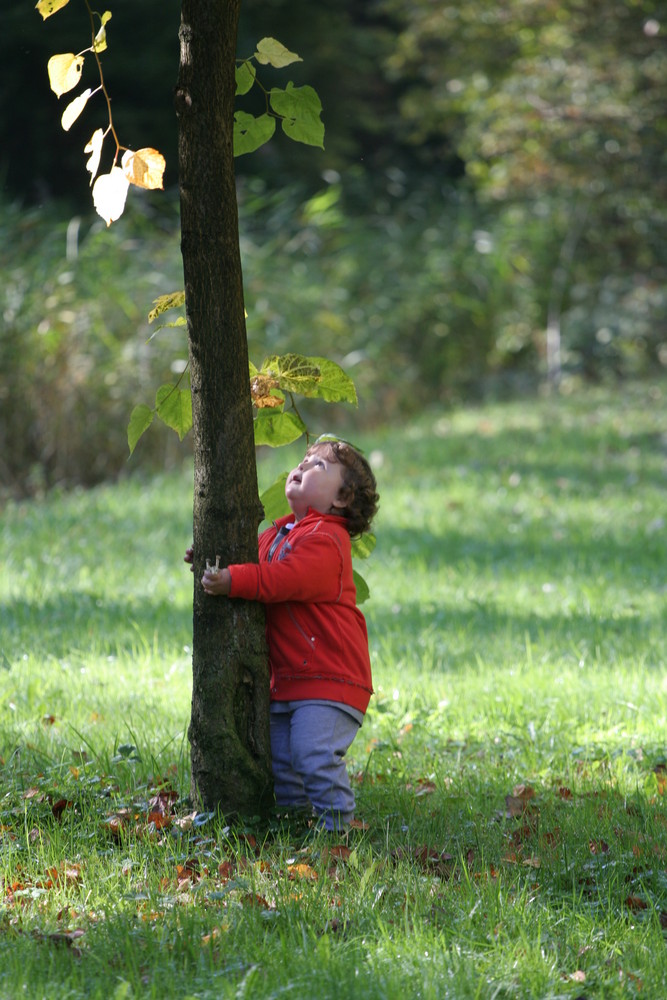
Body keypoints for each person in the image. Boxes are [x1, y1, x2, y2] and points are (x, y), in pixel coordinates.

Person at [186, 437, 379, 832]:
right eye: (304, 459)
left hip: (329, 678)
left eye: (318, 467)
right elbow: (247, 565)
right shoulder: (277, 534)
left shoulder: (327, 541)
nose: (303, 466)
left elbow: (282, 580)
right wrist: (208, 555)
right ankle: (297, 826)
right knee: (284, 764)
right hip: (288, 678)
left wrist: (232, 580)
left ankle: (337, 829)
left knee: (312, 755)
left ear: (342, 498)